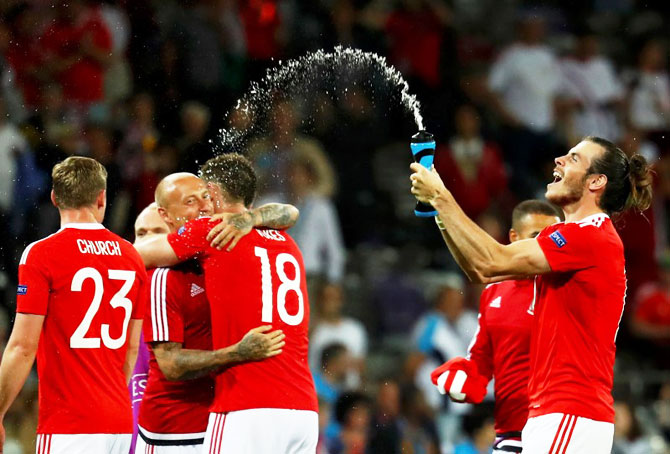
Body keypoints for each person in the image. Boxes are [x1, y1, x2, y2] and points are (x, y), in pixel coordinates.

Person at [410, 136, 653, 453]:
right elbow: (479, 271)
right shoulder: (569, 236)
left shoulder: (592, 236)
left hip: (571, 411)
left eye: (574, 158)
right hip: (555, 414)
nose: (559, 160)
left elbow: (490, 260)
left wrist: (441, 197)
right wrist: (439, 208)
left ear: (596, 182)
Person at [136, 154, 318, 453]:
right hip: (303, 411)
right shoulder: (288, 242)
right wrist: (254, 217)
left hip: (247, 406)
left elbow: (134, 257)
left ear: (215, 193)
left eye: (205, 196)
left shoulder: (212, 232)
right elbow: (290, 212)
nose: (204, 206)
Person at [0, 156, 148, 454]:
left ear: (55, 198)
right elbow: (131, 349)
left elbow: (22, 347)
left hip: (70, 424)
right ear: (101, 197)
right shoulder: (132, 257)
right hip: (119, 422)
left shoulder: (42, 255)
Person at [430, 200, 562, 453]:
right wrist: (463, 379)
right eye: (536, 236)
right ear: (514, 237)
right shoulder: (494, 293)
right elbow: (481, 360)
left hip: (557, 428)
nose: (545, 245)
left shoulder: (567, 288)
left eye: (553, 237)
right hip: (510, 431)